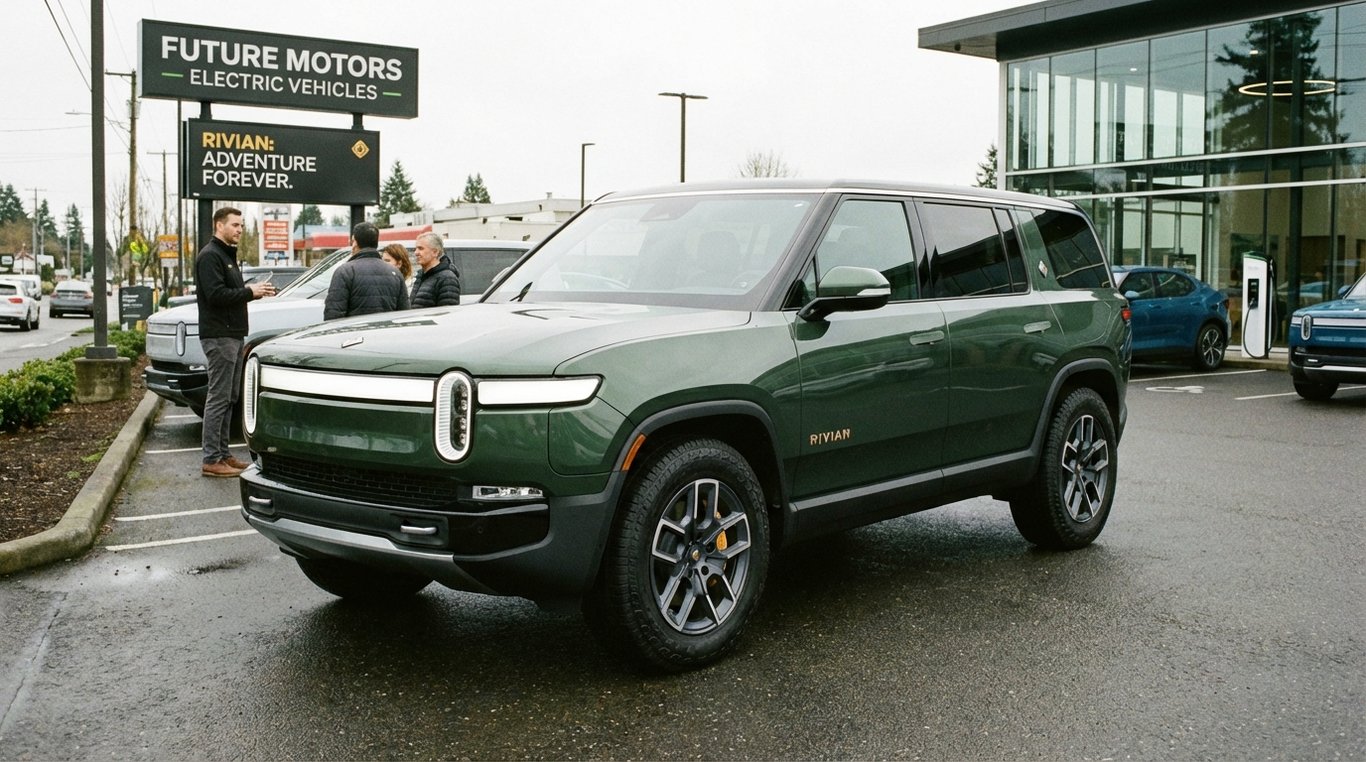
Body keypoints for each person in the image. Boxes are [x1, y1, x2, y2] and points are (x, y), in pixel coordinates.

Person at [196, 206, 276, 478]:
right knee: (218, 397)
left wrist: (250, 292)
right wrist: (249, 292)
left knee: (230, 396)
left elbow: (226, 293)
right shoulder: (210, 256)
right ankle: (211, 458)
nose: (240, 230)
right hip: (219, 336)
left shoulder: (226, 256)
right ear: (219, 226)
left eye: (241, 225)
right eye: (235, 225)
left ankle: (223, 454)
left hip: (231, 335)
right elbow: (215, 295)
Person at [323, 221, 409, 320]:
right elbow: (404, 314)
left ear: (355, 242)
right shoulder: (396, 273)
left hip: (355, 334)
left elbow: (333, 315)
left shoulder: (345, 271)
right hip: (386, 333)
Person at [409, 232, 461, 308]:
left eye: (421, 248)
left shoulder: (447, 278)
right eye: (415, 249)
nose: (416, 252)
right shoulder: (420, 276)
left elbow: (446, 313)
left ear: (435, 252)